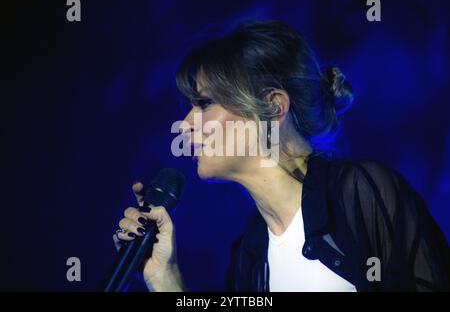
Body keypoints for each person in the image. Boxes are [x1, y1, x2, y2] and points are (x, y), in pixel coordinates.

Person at [112, 20, 450, 292]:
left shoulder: (359, 192)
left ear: (273, 107)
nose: (185, 124)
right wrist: (166, 279)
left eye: (204, 104)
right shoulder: (249, 252)